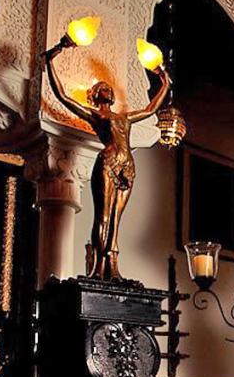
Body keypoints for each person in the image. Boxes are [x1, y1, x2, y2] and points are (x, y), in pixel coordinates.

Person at [45, 39, 171, 280]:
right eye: (104, 88)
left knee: (116, 219)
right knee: (102, 216)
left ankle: (113, 267)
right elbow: (62, 96)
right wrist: (51, 59)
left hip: (128, 166)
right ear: (95, 94)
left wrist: (163, 79)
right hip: (109, 160)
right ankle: (97, 269)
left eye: (110, 89)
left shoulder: (125, 117)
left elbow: (151, 108)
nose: (109, 90)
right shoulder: (95, 115)